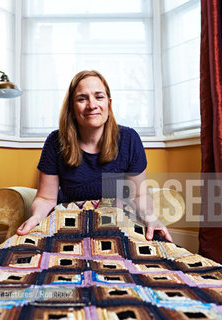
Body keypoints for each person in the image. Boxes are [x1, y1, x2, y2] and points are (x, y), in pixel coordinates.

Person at [17, 70, 172, 242]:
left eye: (99, 97)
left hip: (117, 221)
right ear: (72, 107)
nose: (92, 105)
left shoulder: (129, 139)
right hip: (69, 222)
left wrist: (151, 218)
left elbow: (139, 195)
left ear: (109, 103)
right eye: (82, 99)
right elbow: (46, 198)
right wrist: (37, 217)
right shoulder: (55, 141)